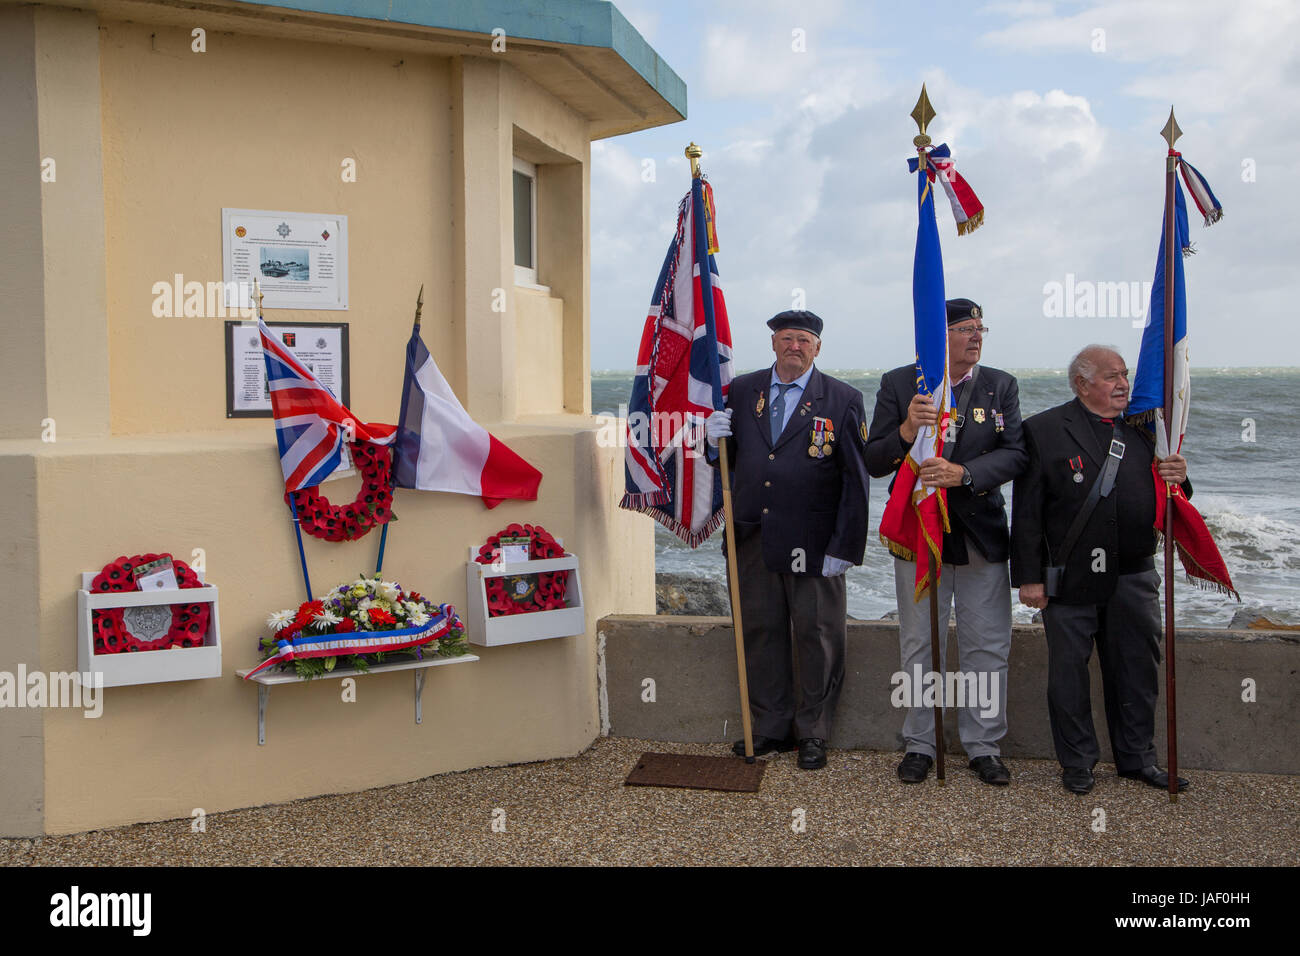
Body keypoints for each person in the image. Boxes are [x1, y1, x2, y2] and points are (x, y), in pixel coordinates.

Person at [1010, 345, 1191, 795]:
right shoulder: (1043, 430)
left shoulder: (1148, 431)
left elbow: (1174, 498)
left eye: (1125, 375)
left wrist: (1180, 474)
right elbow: (1028, 512)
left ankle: (1137, 759)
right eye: (1112, 377)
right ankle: (1077, 762)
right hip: (1070, 577)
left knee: (1136, 671)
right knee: (1069, 675)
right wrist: (1029, 578)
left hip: (1134, 575)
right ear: (1082, 383)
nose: (1123, 384)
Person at [866, 298, 1027, 786]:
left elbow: (1017, 454)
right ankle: (920, 742)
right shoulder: (901, 384)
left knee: (987, 647)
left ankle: (983, 745)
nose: (976, 336)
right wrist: (908, 429)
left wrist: (966, 473)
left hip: (980, 535)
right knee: (920, 645)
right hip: (919, 535)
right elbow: (874, 459)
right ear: (941, 336)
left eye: (980, 328)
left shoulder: (1001, 385)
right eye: (964, 328)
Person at [705, 310, 870, 770]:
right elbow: (728, 459)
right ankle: (770, 728)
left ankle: (813, 733)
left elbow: (856, 482)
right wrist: (709, 439)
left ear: (817, 348)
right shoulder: (742, 390)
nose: (793, 346)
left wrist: (845, 548)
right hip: (752, 537)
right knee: (761, 633)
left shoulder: (842, 399)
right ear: (774, 344)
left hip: (814, 543)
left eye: (803, 340)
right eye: (786, 338)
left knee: (818, 637)